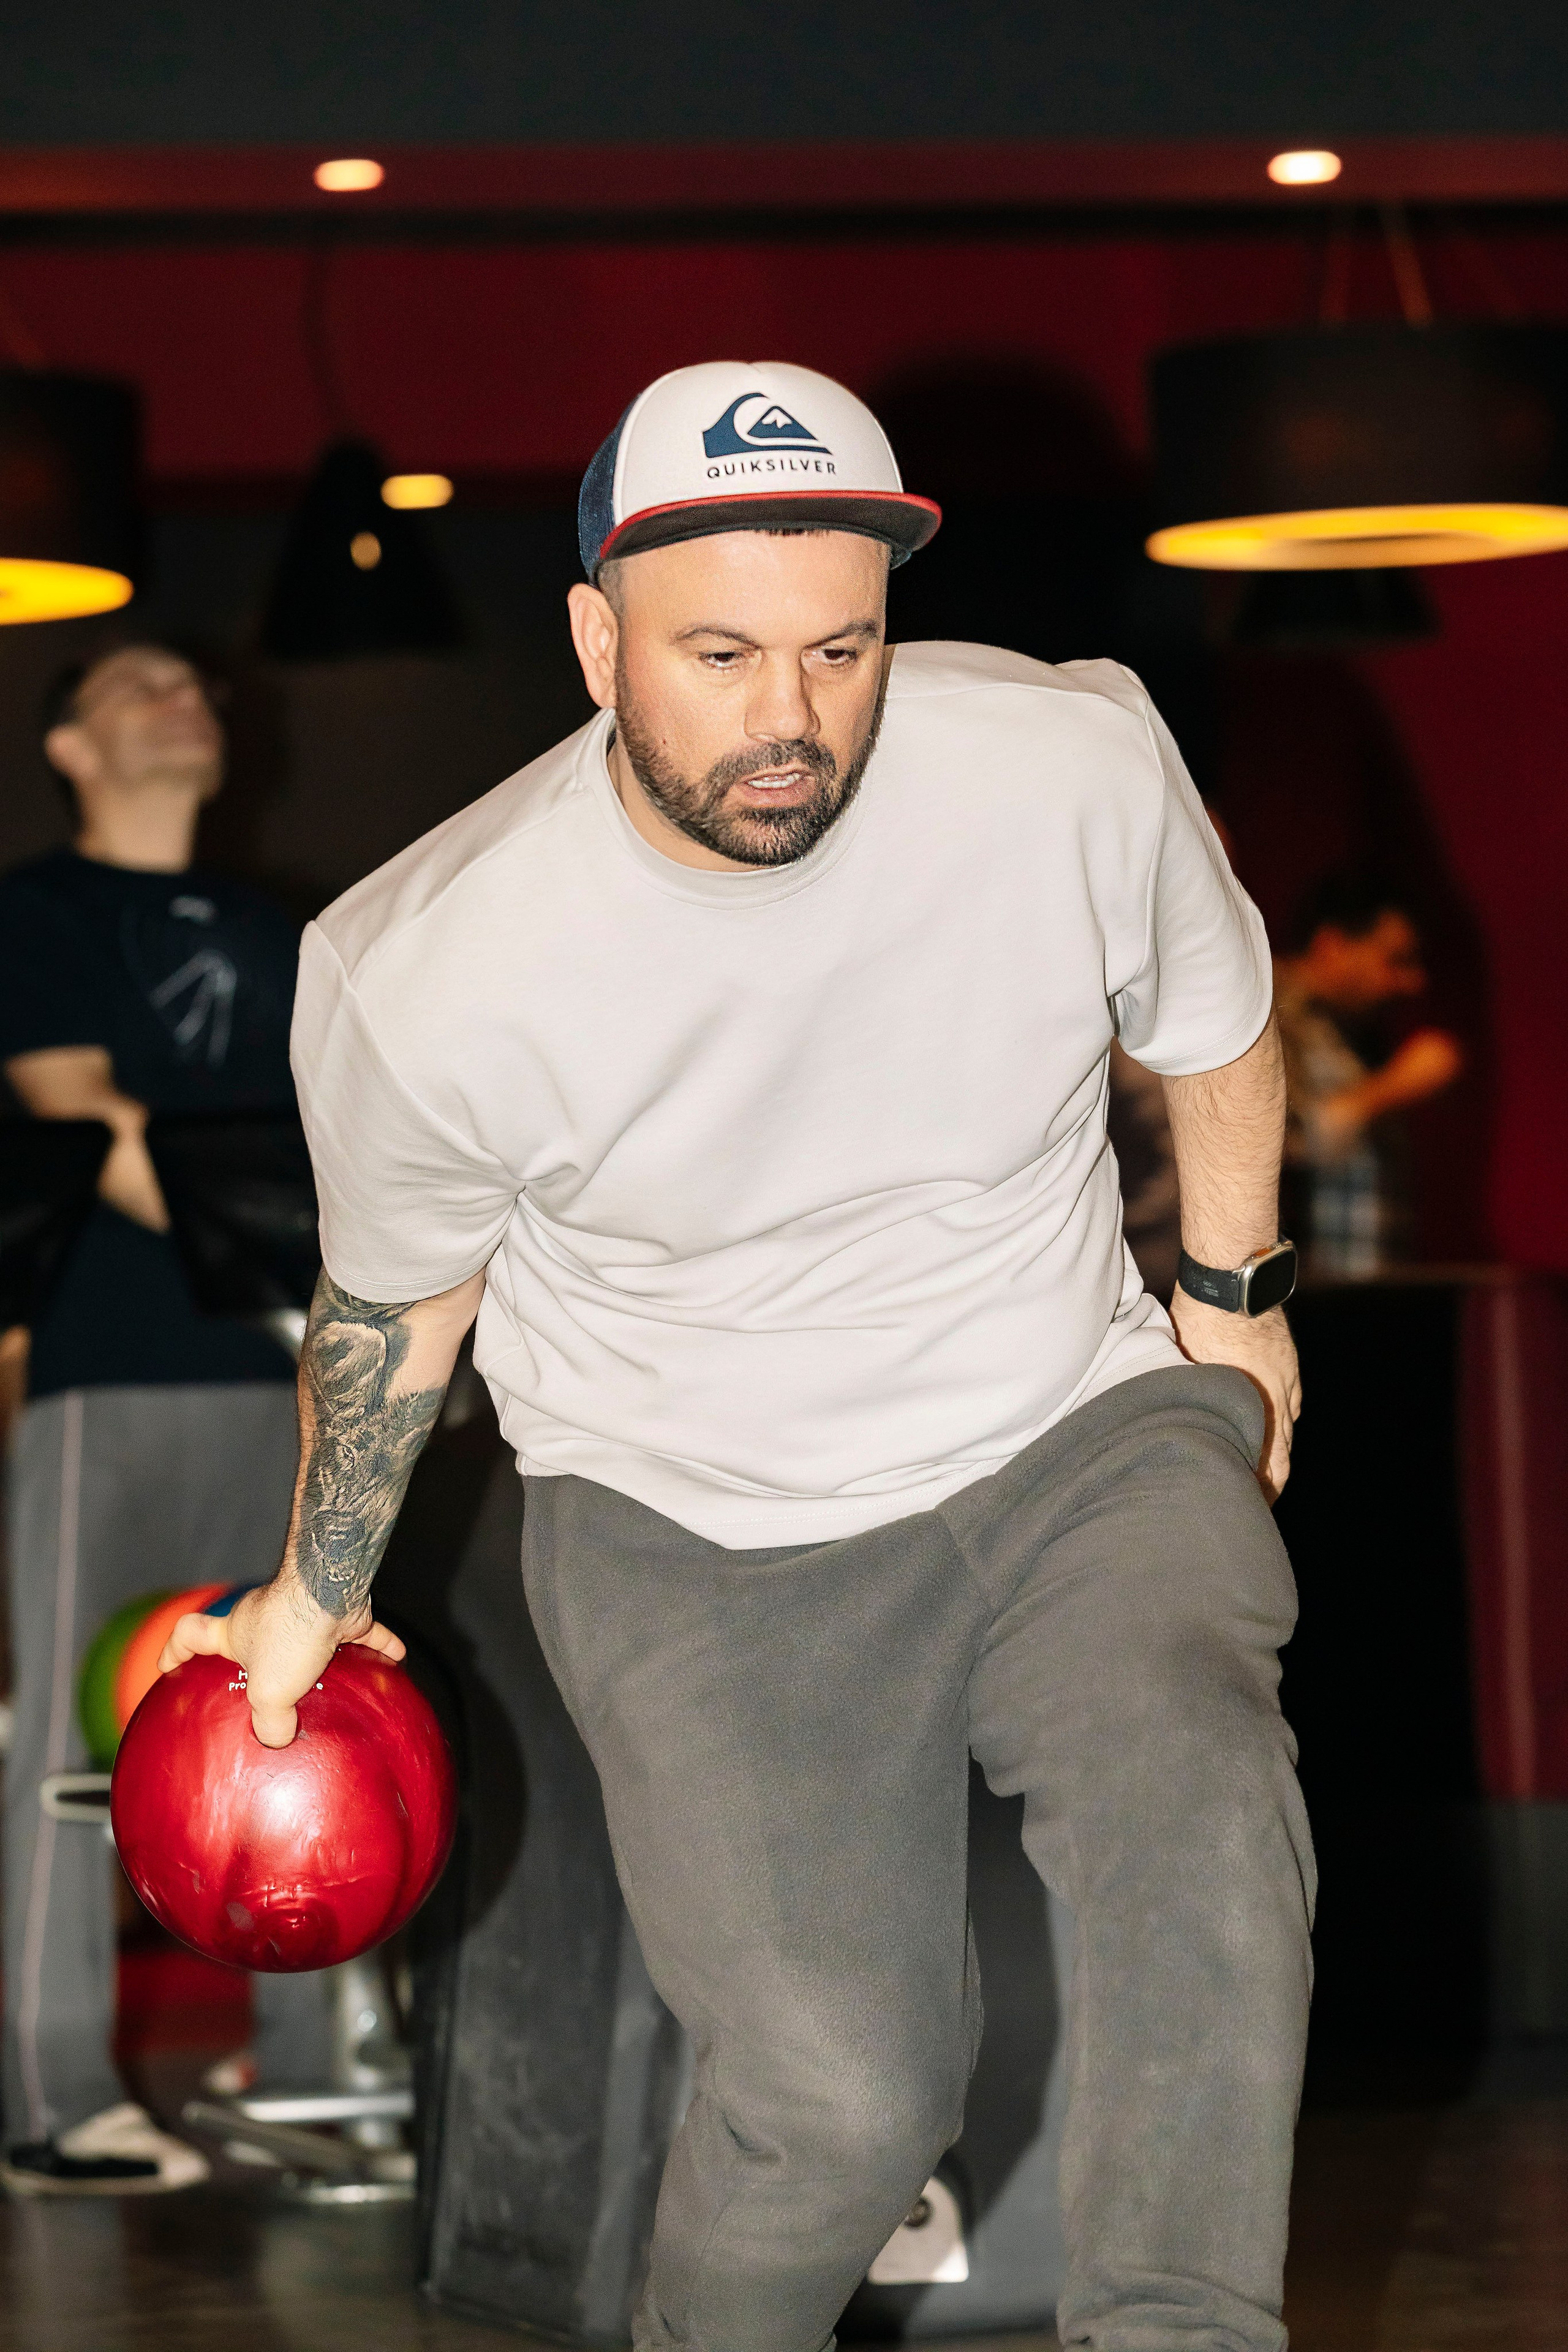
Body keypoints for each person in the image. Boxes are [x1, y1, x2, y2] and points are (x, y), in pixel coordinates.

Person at [168, 363, 1313, 2351]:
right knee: (842, 2100)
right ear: (597, 641)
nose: (792, 722)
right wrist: (312, 1594)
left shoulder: (1068, 764)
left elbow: (1212, 1019)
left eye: (840, 650)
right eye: (719, 654)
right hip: (688, 1513)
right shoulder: (428, 961)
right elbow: (398, 1312)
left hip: (1066, 1424)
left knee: (1201, 1813)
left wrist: (1235, 1295)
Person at [0, 643, 329, 2195]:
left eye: (192, 678)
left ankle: (316, 2078)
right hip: (112, 1375)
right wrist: (289, 1271)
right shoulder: (40, 910)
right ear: (69, 746)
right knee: (78, 1746)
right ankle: (53, 2100)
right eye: (132, 681)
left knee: (306, 1710)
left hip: (295, 1387)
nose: (178, 694)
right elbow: (78, 1110)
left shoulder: (289, 932)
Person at [1274, 873, 1464, 1279]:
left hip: (1365, 1293)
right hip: (1300, 1298)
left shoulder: (1353, 1032)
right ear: (1332, 945)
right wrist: (1397, 1084)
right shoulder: (1267, 1016)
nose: (1413, 982)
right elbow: (1290, 1147)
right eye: (1397, 960)